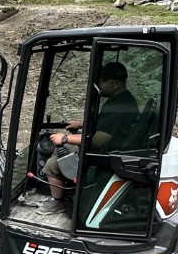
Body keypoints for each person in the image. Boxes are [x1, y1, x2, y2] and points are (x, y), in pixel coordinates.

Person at [41, 60, 139, 205]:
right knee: (59, 149)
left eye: (103, 81)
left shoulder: (119, 107)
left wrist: (65, 138)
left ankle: (56, 202)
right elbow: (104, 123)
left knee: (51, 164)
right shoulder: (121, 100)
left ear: (116, 83)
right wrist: (81, 124)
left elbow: (100, 138)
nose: (99, 84)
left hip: (104, 155)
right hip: (110, 149)